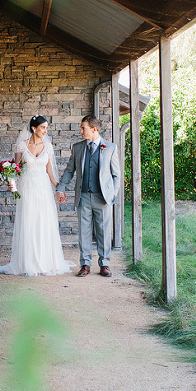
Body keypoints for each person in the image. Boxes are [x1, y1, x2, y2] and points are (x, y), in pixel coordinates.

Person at [0, 115, 71, 276]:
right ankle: (29, 264)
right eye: (43, 127)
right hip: (27, 189)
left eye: (46, 128)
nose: (45, 131)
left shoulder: (47, 146)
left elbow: (50, 172)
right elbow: (15, 170)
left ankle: (46, 262)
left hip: (43, 190)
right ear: (34, 128)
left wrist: (59, 189)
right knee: (29, 223)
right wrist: (12, 187)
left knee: (44, 223)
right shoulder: (21, 145)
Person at [56, 114, 121, 277]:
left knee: (104, 231)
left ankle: (104, 264)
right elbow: (70, 170)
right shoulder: (78, 147)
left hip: (102, 197)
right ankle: (85, 264)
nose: (81, 131)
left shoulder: (110, 147)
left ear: (94, 129)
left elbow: (116, 175)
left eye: (83, 128)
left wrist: (112, 194)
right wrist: (61, 187)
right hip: (83, 196)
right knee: (84, 232)